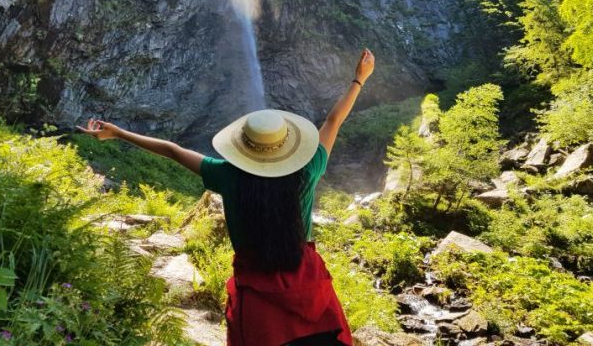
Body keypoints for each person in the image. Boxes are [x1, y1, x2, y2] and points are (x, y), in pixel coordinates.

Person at [77, 48, 376, 345]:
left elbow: (171, 149)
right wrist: (358, 80)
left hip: (257, 300)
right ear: (288, 147)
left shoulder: (228, 175)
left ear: (244, 148)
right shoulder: (307, 170)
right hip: (308, 289)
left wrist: (118, 133)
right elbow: (332, 122)